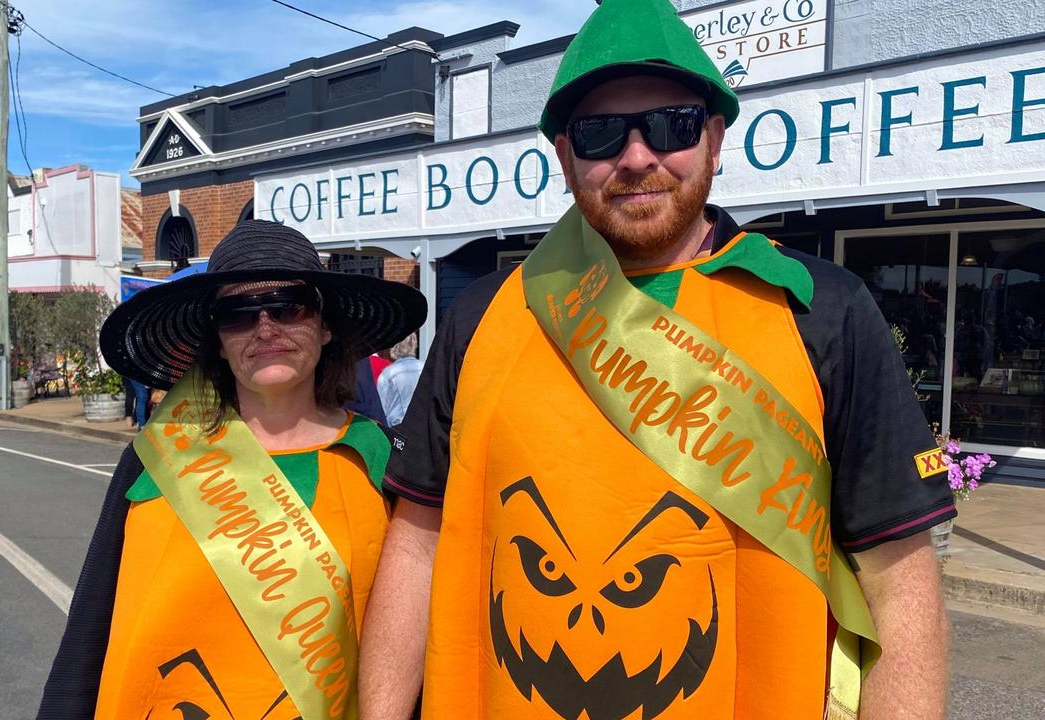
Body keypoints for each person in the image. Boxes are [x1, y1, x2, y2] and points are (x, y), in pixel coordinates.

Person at [358, 3, 955, 719]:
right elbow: (417, 544)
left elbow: (899, 583)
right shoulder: (485, 313)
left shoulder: (819, 309)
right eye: (600, 133)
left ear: (712, 138)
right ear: (563, 155)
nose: (636, 157)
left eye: (670, 126)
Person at [39, 220, 426, 719]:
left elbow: (416, 642)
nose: (265, 327)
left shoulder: (383, 460)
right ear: (218, 342)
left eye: (289, 306)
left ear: (325, 325)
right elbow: (92, 627)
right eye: (237, 314)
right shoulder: (156, 457)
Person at [375, 334, 423, 428]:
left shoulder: (389, 373)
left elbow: (381, 408)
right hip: (422, 426)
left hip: (397, 428)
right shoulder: (425, 368)